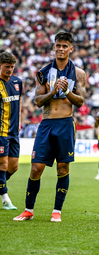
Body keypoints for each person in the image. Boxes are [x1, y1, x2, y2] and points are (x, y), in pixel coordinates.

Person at [14, 32, 86, 222]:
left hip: (65, 123)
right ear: (54, 47)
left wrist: (67, 92)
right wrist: (53, 91)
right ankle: (28, 210)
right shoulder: (43, 72)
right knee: (36, 168)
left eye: (65, 46)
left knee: (63, 168)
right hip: (46, 124)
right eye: (58, 45)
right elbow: (38, 101)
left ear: (71, 48)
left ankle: (57, 211)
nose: (61, 49)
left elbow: (80, 102)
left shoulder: (79, 73)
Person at [0, 52, 22, 210]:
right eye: (7, 67)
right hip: (1, 131)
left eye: (12, 67)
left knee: (13, 166)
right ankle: (5, 199)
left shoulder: (17, 82)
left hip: (14, 131)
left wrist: (19, 120)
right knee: (3, 164)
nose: (10, 70)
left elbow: (19, 102)